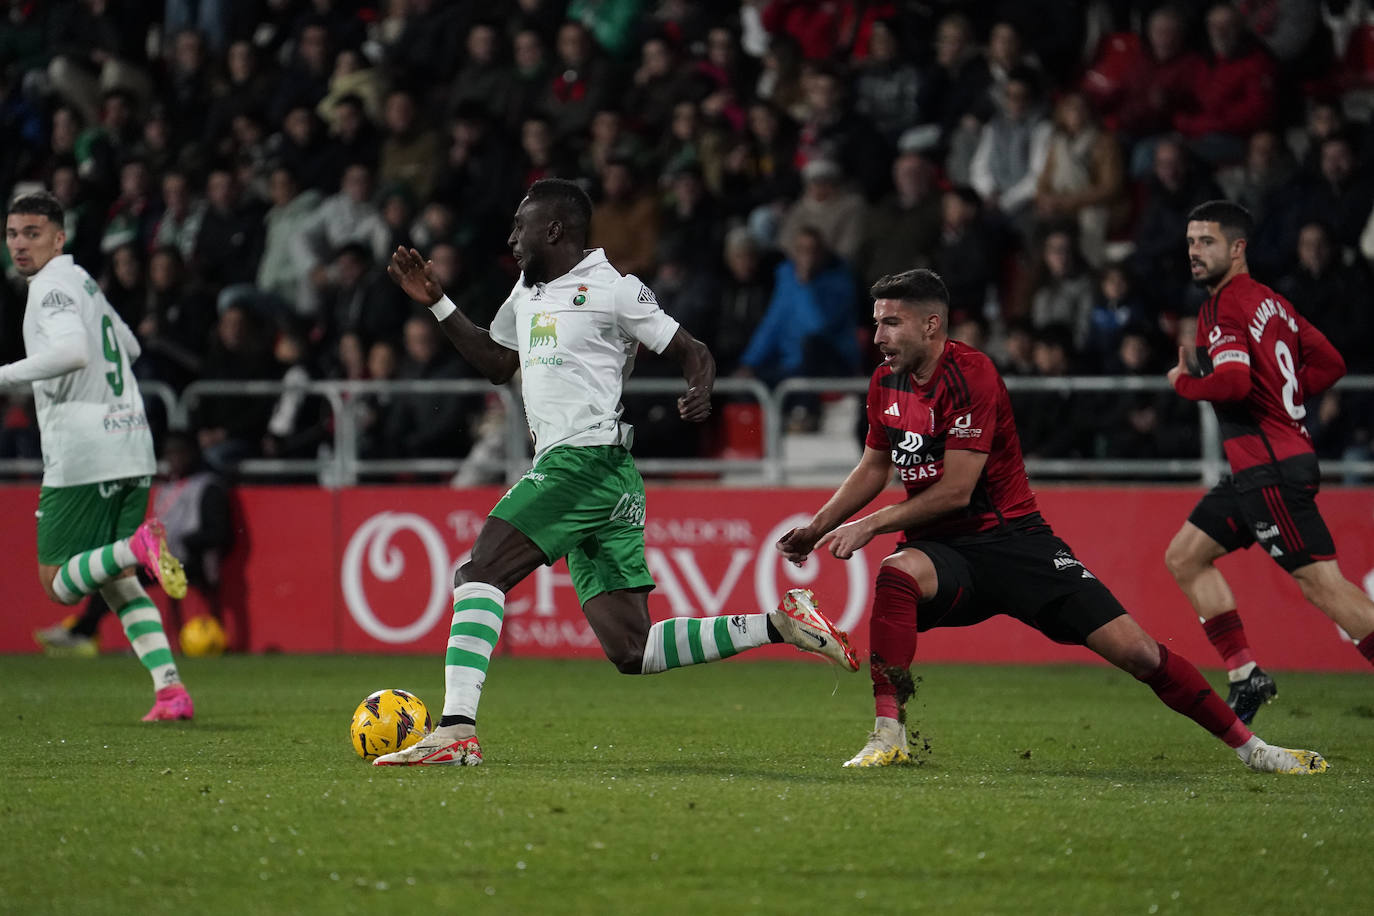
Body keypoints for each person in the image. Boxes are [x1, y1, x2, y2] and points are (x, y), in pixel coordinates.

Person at [378, 179, 858, 767]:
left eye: (520, 226)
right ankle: (783, 624)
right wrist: (438, 302)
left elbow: (693, 350)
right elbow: (499, 363)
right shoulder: (527, 291)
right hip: (601, 476)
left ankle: (455, 731)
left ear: (553, 229)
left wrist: (700, 391)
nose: (511, 237)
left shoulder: (614, 289)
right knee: (633, 648)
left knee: (481, 571)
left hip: (585, 460)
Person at [777, 267, 1326, 775]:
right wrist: (819, 526)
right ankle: (888, 732)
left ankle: (1254, 750)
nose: (878, 336)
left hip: (1018, 544)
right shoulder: (885, 384)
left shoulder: (973, 375)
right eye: (876, 323)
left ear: (931, 323)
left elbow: (957, 490)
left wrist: (870, 525)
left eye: (891, 322)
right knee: (897, 575)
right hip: (946, 552)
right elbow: (874, 466)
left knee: (1138, 652)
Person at [1163, 200, 1374, 723]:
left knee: (1323, 586)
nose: (1195, 251)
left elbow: (1233, 383)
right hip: (1262, 467)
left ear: (1238, 248)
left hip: (1270, 470)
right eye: (1191, 242)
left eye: (1206, 242)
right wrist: (1284, 399)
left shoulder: (1223, 308)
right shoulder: (1273, 304)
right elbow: (1330, 363)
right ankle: (1245, 674)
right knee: (1185, 556)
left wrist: (1186, 383)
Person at [3, 192, 192, 721]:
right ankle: (170, 691)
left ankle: (138, 543)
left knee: (58, 583)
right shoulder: (83, 280)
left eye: (33, 233)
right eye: (13, 233)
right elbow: (128, 347)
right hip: (133, 442)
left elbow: (73, 352)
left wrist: (4, 377)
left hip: (85, 451)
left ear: (58, 238)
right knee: (115, 580)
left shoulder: (50, 288)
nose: (20, 243)